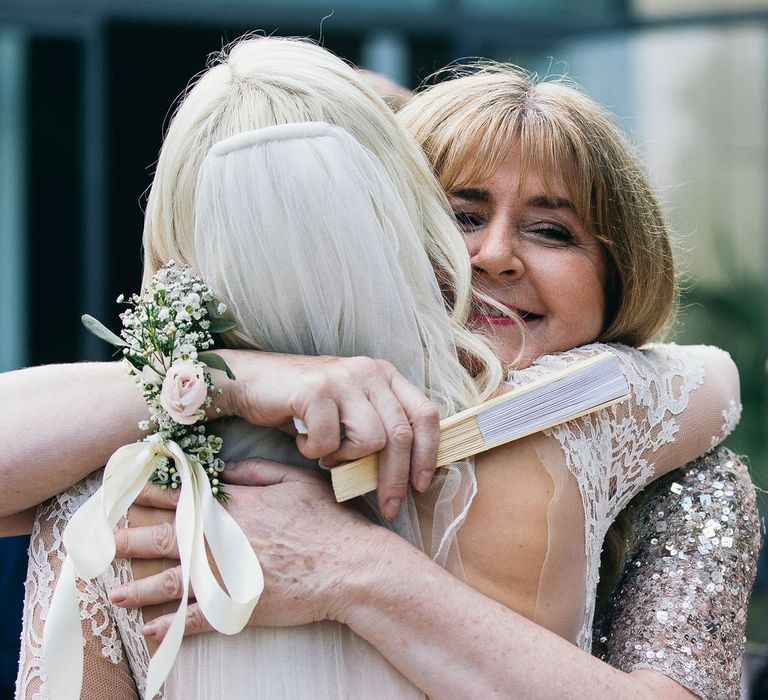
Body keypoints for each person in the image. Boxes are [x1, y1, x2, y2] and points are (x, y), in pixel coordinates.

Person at [5, 39, 754, 699]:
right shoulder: (175, 458)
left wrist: (353, 569)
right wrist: (232, 374)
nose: (493, 255)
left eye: (551, 231)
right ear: (389, 228)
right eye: (461, 215)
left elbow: (711, 382)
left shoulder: (674, 460)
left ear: (621, 274)